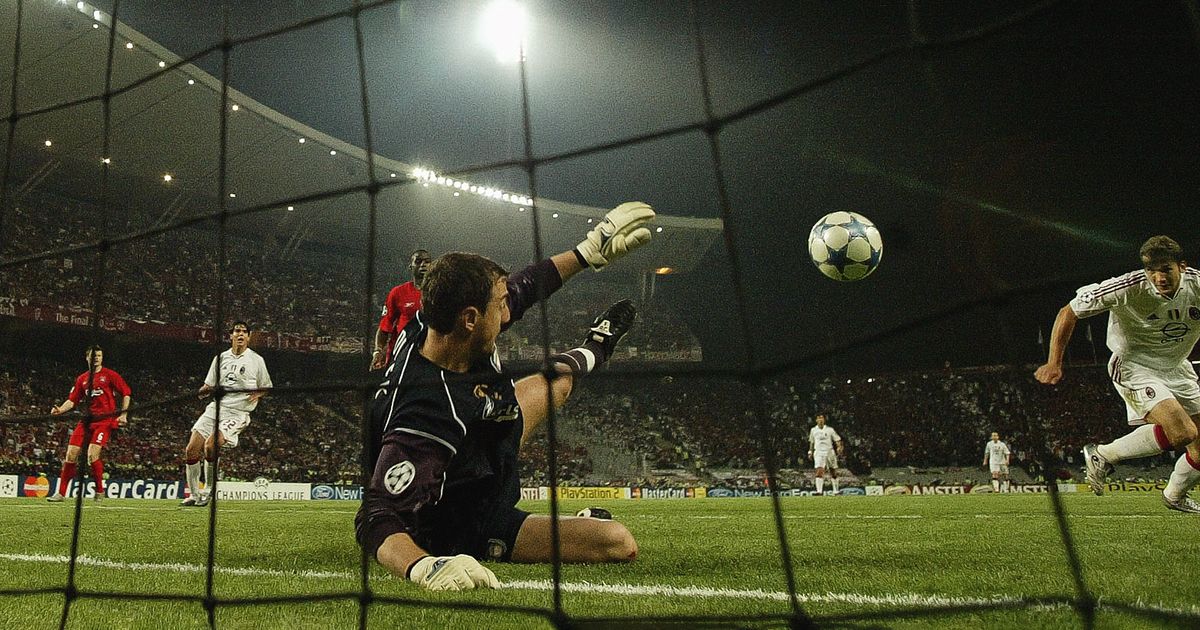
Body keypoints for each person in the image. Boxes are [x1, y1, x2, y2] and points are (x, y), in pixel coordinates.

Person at [356, 201, 654, 591]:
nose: (509, 312)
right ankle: (550, 528)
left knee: (557, 382)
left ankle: (599, 343)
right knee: (617, 542)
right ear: (469, 319)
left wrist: (587, 252)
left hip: (483, 433)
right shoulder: (425, 413)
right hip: (465, 517)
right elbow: (378, 515)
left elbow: (527, 286)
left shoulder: (434, 321)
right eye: (500, 306)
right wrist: (422, 566)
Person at [1035, 235, 1200, 513]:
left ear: (1181, 267)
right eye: (1152, 270)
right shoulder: (1127, 287)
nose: (1159, 277)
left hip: (1177, 366)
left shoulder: (1196, 285)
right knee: (1183, 433)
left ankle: (1174, 496)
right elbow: (1069, 312)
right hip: (1135, 367)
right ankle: (1103, 454)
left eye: (1166, 269)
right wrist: (1054, 362)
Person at [182, 321, 272, 507]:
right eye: (237, 331)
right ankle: (194, 495)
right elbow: (209, 384)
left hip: (238, 412)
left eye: (244, 332)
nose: (240, 334)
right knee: (191, 449)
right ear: (230, 335)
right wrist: (202, 391)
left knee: (211, 445)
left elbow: (267, 386)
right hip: (216, 408)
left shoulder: (256, 360)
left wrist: (258, 393)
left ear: (248, 337)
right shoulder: (220, 358)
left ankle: (209, 491)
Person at [46, 345, 131, 502]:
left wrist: (124, 414)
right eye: (94, 355)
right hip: (86, 421)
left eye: (99, 355)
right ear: (87, 358)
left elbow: (126, 393)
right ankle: (61, 494)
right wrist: (60, 410)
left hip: (104, 421)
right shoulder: (82, 379)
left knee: (92, 454)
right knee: (70, 454)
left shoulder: (110, 375)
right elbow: (72, 400)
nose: (96, 358)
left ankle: (99, 491)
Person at [371, 249, 432, 370]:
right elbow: (384, 327)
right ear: (411, 266)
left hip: (428, 356)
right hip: (400, 355)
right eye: (418, 261)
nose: (423, 265)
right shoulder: (398, 293)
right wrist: (378, 351)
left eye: (427, 261)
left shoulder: (439, 293)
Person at [807, 413, 844, 495]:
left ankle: (836, 491)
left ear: (824, 420)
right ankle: (819, 491)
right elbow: (811, 442)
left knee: (833, 471)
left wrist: (839, 447)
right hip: (819, 452)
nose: (820, 420)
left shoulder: (830, 430)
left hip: (829, 451)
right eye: (819, 418)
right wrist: (810, 451)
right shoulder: (813, 430)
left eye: (822, 418)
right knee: (819, 470)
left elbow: (837, 439)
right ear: (816, 420)